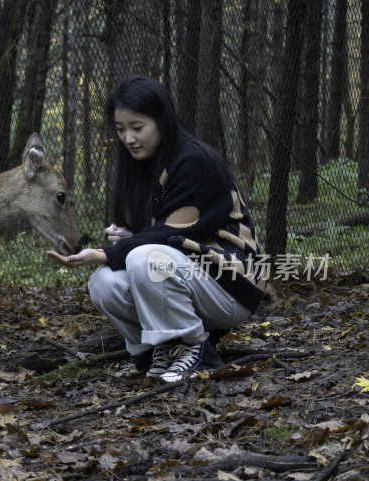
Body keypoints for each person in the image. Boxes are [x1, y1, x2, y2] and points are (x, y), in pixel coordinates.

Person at [49, 76, 266, 382]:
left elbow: (172, 233)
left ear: (162, 120)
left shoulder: (195, 160)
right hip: (191, 277)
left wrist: (108, 251)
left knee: (144, 259)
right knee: (103, 283)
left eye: (137, 127)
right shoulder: (141, 164)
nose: (128, 138)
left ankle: (196, 351)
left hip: (231, 284)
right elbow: (165, 232)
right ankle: (160, 350)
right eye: (121, 129)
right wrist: (131, 238)